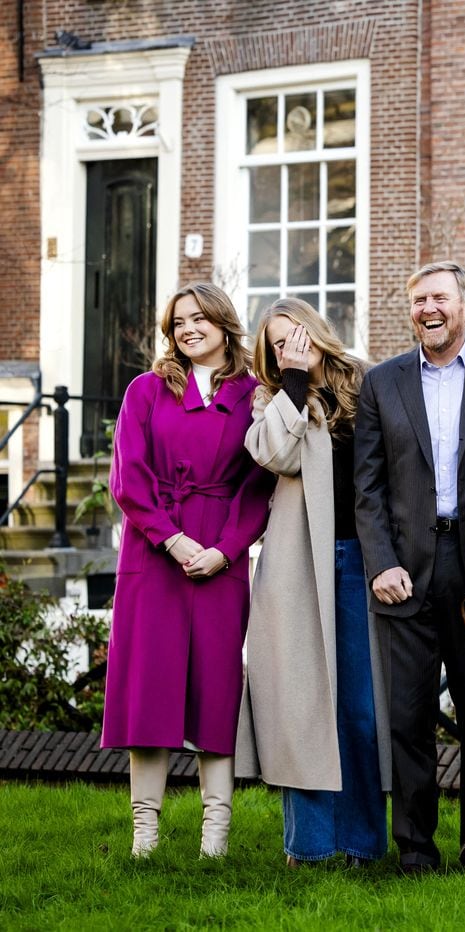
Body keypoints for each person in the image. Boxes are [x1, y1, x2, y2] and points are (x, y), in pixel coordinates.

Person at [101, 281, 273, 858]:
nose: (188, 329)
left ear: (225, 323)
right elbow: (129, 477)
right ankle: (144, 833)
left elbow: (259, 486)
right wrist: (172, 541)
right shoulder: (146, 391)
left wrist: (225, 550)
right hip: (153, 557)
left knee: (216, 689)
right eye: (178, 322)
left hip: (220, 560)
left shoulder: (255, 394)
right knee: (148, 690)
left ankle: (214, 838)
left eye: (199, 319)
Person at [354, 261, 465, 874]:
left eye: (440, 297)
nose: (428, 309)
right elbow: (366, 487)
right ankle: (415, 851)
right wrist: (380, 564)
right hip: (405, 574)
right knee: (408, 720)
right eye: (418, 299)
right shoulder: (381, 382)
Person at [235, 298, 390, 868]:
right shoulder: (273, 400)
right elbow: (275, 454)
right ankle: (311, 844)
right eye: (277, 344)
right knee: (303, 706)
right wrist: (295, 383)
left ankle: (363, 843)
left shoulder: (369, 381)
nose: (288, 347)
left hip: (361, 560)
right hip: (300, 563)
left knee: (359, 707)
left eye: (294, 335)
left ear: (317, 329)